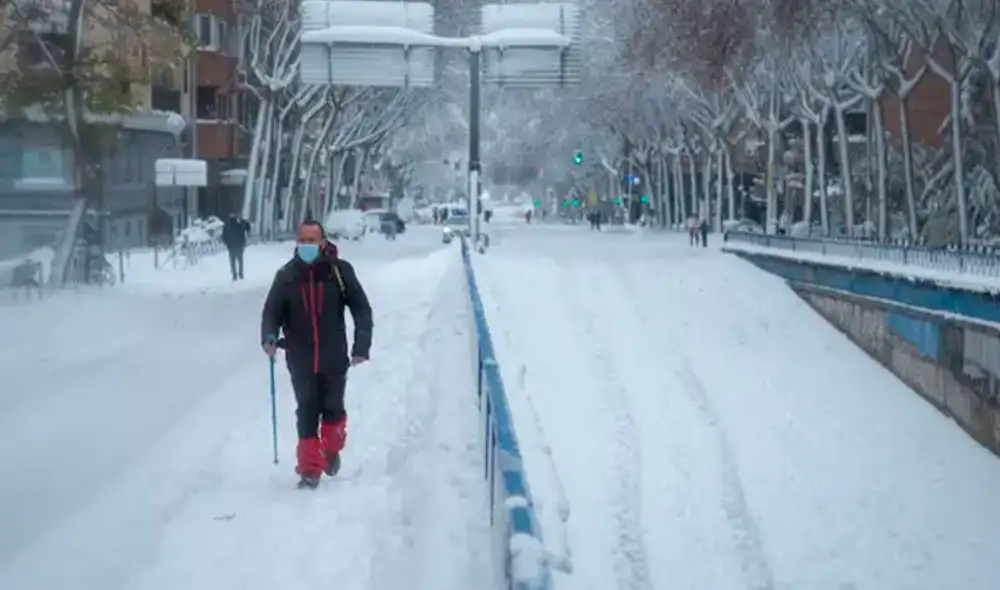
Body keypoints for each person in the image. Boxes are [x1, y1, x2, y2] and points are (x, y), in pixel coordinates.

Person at [260, 220, 373, 489]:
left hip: (334, 356)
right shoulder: (286, 276)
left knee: (333, 407)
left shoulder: (339, 272)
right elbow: (271, 311)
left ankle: (331, 449)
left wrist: (361, 347)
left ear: (323, 242)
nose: (307, 245)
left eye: (312, 240)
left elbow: (361, 309)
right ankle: (310, 470)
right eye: (303, 240)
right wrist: (269, 337)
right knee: (307, 409)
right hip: (300, 357)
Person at [222, 212, 251, 280]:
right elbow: (248, 228)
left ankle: (235, 275)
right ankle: (240, 274)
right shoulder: (240, 224)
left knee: (233, 261)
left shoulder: (227, 225)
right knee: (240, 259)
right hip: (239, 245)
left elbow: (224, 235)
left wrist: (227, 243)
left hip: (232, 246)